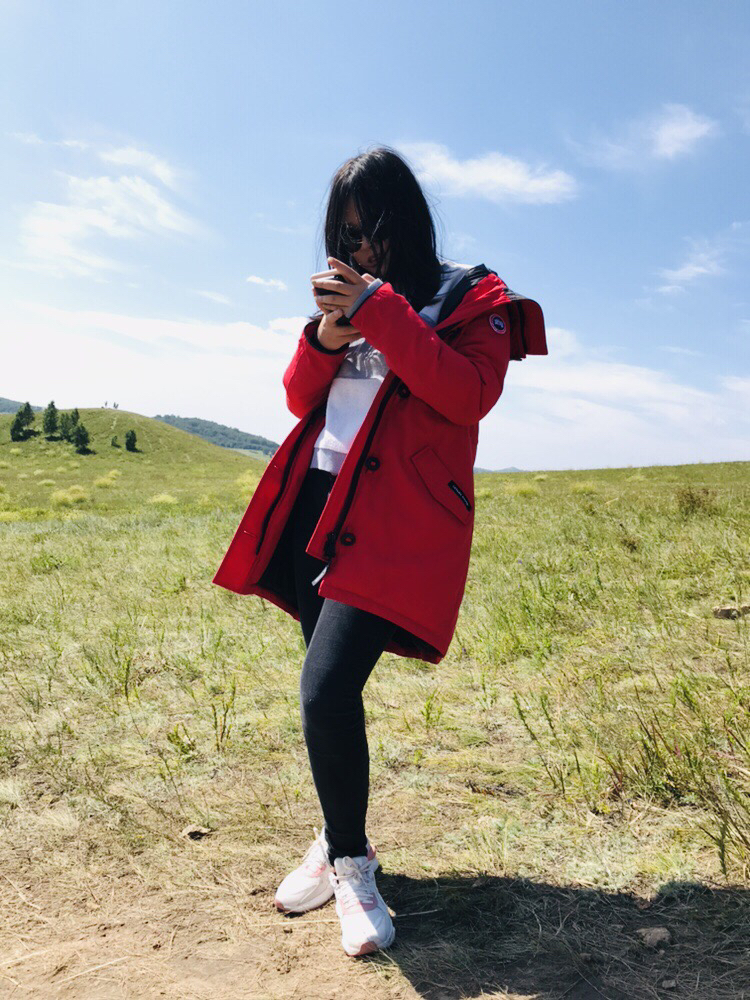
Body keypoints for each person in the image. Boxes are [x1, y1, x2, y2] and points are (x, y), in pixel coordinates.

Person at [212, 145, 548, 958]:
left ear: (409, 223)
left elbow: (467, 395)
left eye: (373, 230)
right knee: (328, 693)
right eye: (346, 235)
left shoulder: (470, 297)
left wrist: (381, 309)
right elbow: (298, 398)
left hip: (394, 519)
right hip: (316, 504)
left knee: (324, 691)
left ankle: (352, 867)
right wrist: (328, 336)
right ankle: (338, 838)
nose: (360, 248)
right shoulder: (357, 302)